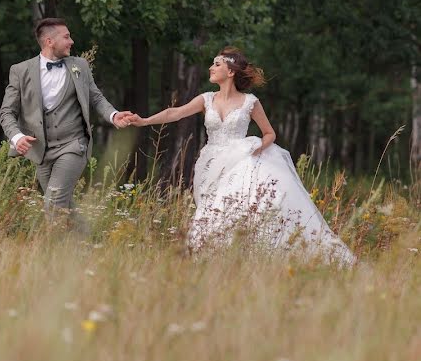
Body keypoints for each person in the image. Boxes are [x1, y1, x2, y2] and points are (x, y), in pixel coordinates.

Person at [127, 47, 355, 266]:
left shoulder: (250, 102)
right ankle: (214, 259)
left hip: (241, 161)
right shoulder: (206, 99)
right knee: (210, 209)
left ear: (231, 72)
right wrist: (144, 121)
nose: (210, 68)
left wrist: (259, 149)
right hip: (212, 163)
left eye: (216, 64)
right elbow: (174, 113)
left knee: (235, 208)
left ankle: (245, 255)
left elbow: (269, 133)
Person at [0, 18, 134, 222]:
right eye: (66, 36)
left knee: (53, 203)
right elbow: (6, 112)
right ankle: (86, 245)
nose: (71, 41)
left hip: (73, 144)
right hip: (41, 150)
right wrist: (17, 137)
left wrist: (113, 115)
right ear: (49, 41)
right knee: (64, 207)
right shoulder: (20, 71)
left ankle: (50, 250)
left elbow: (95, 97)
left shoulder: (79, 66)